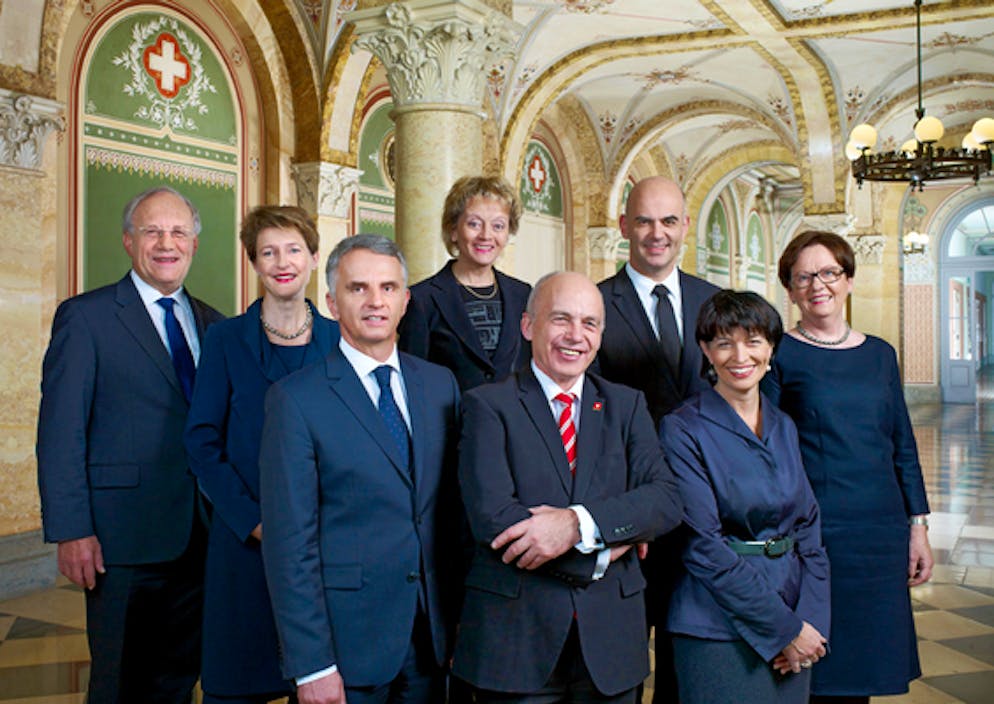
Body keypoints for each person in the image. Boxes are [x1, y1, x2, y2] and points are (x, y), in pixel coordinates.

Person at [452, 271, 684, 703]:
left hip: (612, 645)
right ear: (528, 326)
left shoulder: (626, 405)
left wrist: (578, 526)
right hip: (517, 644)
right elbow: (494, 518)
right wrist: (608, 546)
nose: (575, 336)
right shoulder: (487, 405)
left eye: (589, 323)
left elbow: (665, 499)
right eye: (560, 319)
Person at [36, 186, 224, 703]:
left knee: (178, 678)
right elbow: (60, 429)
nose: (167, 243)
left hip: (201, 534)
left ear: (193, 243)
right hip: (120, 539)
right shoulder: (87, 317)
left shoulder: (215, 325)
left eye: (179, 232)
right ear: (127, 240)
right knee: (119, 682)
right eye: (153, 231)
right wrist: (72, 529)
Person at [259, 234, 462, 704]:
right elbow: (290, 546)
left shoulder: (439, 386)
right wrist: (311, 665)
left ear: (406, 300)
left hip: (432, 642)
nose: (376, 301)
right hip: (346, 651)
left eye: (389, 288)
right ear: (331, 302)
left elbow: (453, 517)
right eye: (358, 289)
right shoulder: (295, 400)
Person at [763, 230, 933, 703]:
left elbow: (901, 442)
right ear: (791, 290)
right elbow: (769, 451)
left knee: (863, 673)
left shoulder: (880, 354)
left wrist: (917, 526)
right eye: (804, 276)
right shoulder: (780, 355)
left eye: (829, 273)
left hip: (880, 534)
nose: (819, 285)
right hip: (818, 535)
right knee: (814, 669)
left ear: (849, 279)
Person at [184, 206, 340, 703]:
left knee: (320, 682)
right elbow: (202, 441)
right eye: (268, 252)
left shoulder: (341, 341)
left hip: (324, 542)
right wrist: (252, 520)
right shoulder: (224, 339)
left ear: (314, 257)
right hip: (244, 543)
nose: (282, 261)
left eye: (293, 249)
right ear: (253, 262)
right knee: (238, 683)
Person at [661, 290, 830, 704]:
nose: (740, 355)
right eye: (724, 342)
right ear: (706, 350)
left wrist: (810, 622)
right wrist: (783, 629)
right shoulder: (682, 429)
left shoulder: (783, 424)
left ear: (771, 348)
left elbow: (808, 526)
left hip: (795, 616)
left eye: (753, 340)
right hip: (715, 624)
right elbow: (702, 545)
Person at [594, 175, 719, 701]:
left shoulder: (714, 302)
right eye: (643, 220)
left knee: (688, 662)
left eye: (668, 221)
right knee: (619, 664)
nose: (656, 233)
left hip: (702, 515)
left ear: (685, 227)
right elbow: (589, 421)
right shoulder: (596, 304)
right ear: (624, 226)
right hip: (630, 517)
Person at [399, 175, 531, 390]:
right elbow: (412, 383)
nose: (486, 235)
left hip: (511, 423)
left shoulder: (523, 295)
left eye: (498, 226)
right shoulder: (423, 300)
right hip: (450, 422)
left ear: (508, 233)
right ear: (453, 230)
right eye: (474, 224)